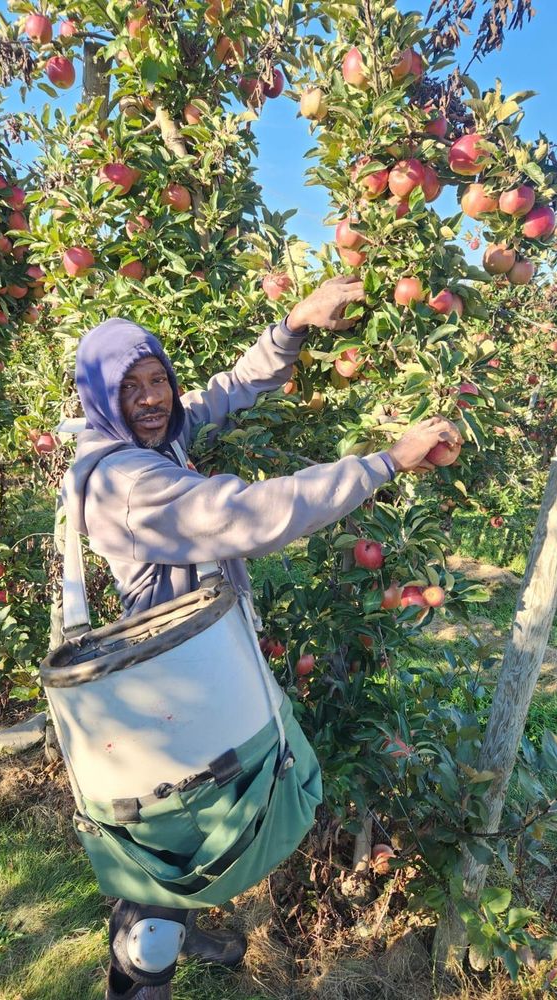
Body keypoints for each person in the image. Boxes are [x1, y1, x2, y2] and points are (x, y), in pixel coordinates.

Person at [63, 275, 461, 999]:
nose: (153, 399)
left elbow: (219, 395)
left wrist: (294, 326)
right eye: (132, 388)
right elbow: (248, 513)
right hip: (178, 680)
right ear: (101, 397)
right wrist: (384, 462)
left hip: (191, 663)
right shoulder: (127, 480)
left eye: (159, 380)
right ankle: (146, 964)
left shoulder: (141, 437)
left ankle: (178, 922)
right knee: (177, 826)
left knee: (184, 820)